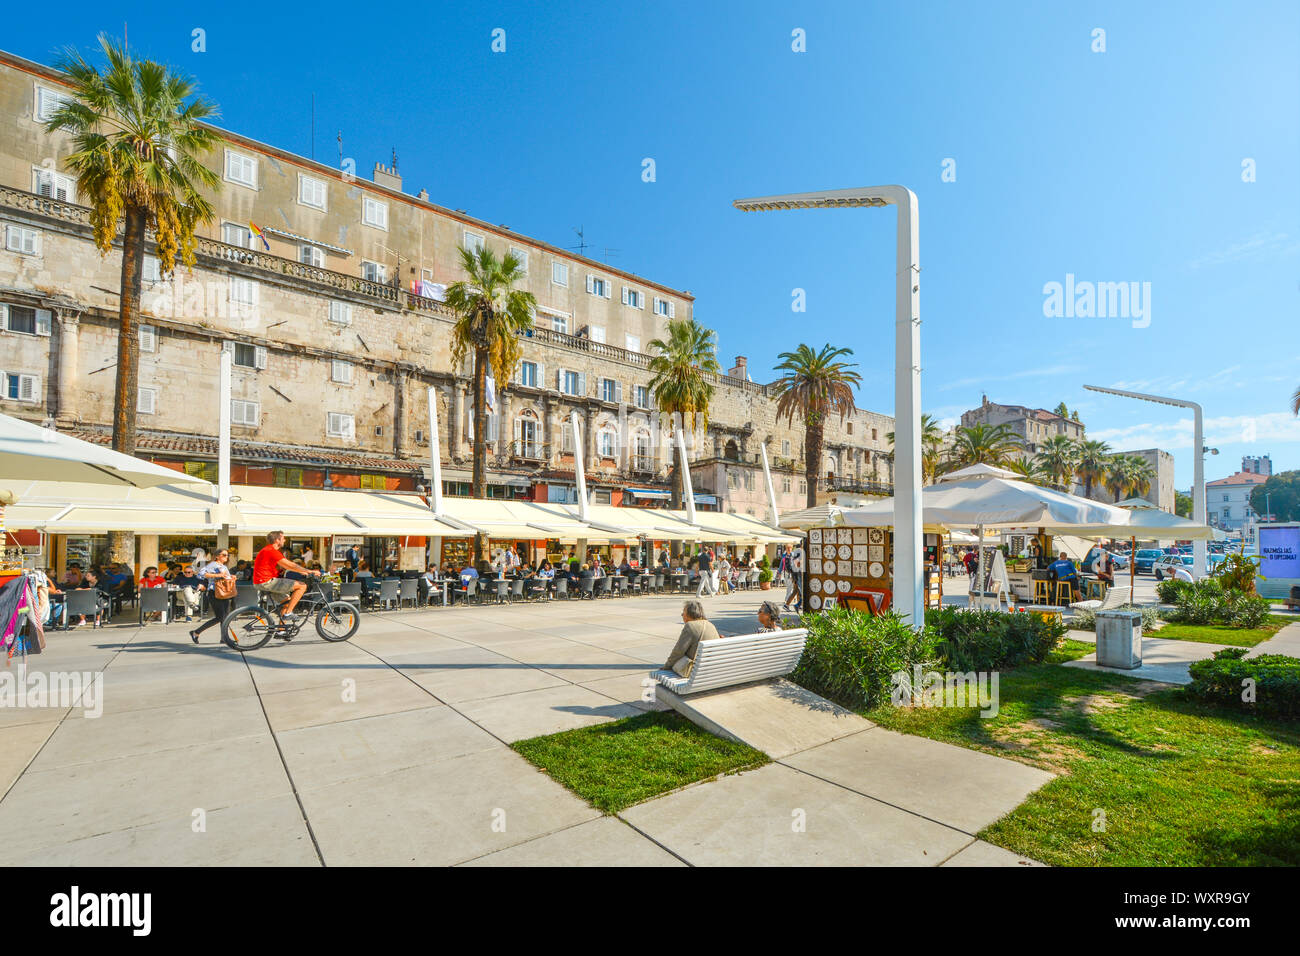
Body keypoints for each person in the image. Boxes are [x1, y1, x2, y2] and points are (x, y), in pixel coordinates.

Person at [253, 530, 319, 622]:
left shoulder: (268, 550)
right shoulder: (271, 550)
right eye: (283, 538)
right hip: (266, 581)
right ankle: (288, 613)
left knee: (287, 602)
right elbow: (289, 565)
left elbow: (286, 566)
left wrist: (302, 571)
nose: (284, 540)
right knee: (302, 586)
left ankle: (281, 631)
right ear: (277, 540)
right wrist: (308, 570)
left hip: (263, 581)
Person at [663, 600, 721, 676]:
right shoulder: (710, 625)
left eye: (683, 612)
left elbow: (678, 651)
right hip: (712, 668)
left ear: (689, 614)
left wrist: (667, 666)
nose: (682, 615)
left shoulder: (690, 626)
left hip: (696, 671)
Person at [190, 548, 236, 644]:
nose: (226, 557)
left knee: (225, 617)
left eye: (227, 555)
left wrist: (231, 577)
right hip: (214, 592)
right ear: (217, 556)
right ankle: (196, 632)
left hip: (224, 592)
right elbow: (201, 574)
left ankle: (224, 638)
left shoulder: (223, 566)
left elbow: (225, 577)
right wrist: (217, 575)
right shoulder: (212, 565)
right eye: (224, 555)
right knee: (220, 617)